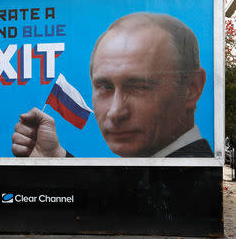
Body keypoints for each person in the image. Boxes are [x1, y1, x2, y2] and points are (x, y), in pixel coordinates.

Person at [11, 12, 213, 158]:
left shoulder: (194, 185)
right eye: (105, 87)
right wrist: (55, 156)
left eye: (140, 86)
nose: (115, 112)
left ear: (192, 88)